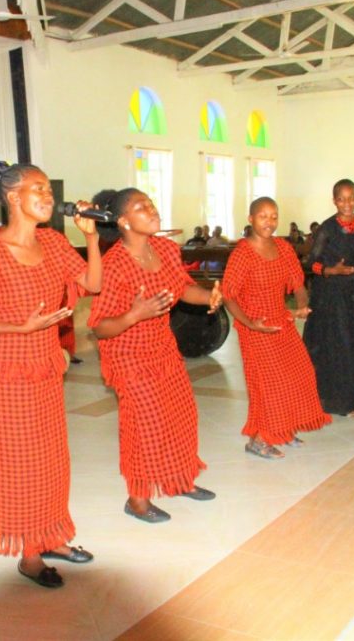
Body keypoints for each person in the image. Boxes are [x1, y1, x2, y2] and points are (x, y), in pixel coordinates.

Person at [0, 161, 102, 589]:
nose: (47, 195)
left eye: (48, 189)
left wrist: (91, 238)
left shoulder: (54, 242)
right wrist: (20, 328)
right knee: (20, 465)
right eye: (37, 188)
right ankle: (29, 553)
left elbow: (93, 284)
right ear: (12, 197)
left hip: (45, 369)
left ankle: (52, 534)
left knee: (52, 461)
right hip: (8, 374)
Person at [88, 188, 220, 522]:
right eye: (141, 207)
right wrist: (136, 314)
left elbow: (181, 287)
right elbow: (99, 327)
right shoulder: (114, 265)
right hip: (128, 355)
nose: (152, 209)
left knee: (181, 415)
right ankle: (137, 499)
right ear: (123, 221)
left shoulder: (165, 248)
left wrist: (208, 297)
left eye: (151, 203)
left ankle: (179, 480)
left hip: (162, 347)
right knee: (145, 426)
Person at [221, 197, 331, 459]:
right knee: (271, 384)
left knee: (300, 373)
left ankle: (283, 428)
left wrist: (302, 305)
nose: (269, 222)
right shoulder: (243, 253)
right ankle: (259, 440)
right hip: (255, 327)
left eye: (273, 216)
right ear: (251, 219)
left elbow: (298, 284)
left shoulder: (283, 247)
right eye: (263, 216)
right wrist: (250, 323)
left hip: (281, 321)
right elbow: (228, 295)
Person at [303, 179, 354, 417]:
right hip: (329, 293)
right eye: (341, 199)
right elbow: (311, 263)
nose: (347, 204)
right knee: (337, 345)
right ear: (334, 201)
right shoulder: (327, 228)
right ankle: (337, 400)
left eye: (351, 198)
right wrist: (332, 270)